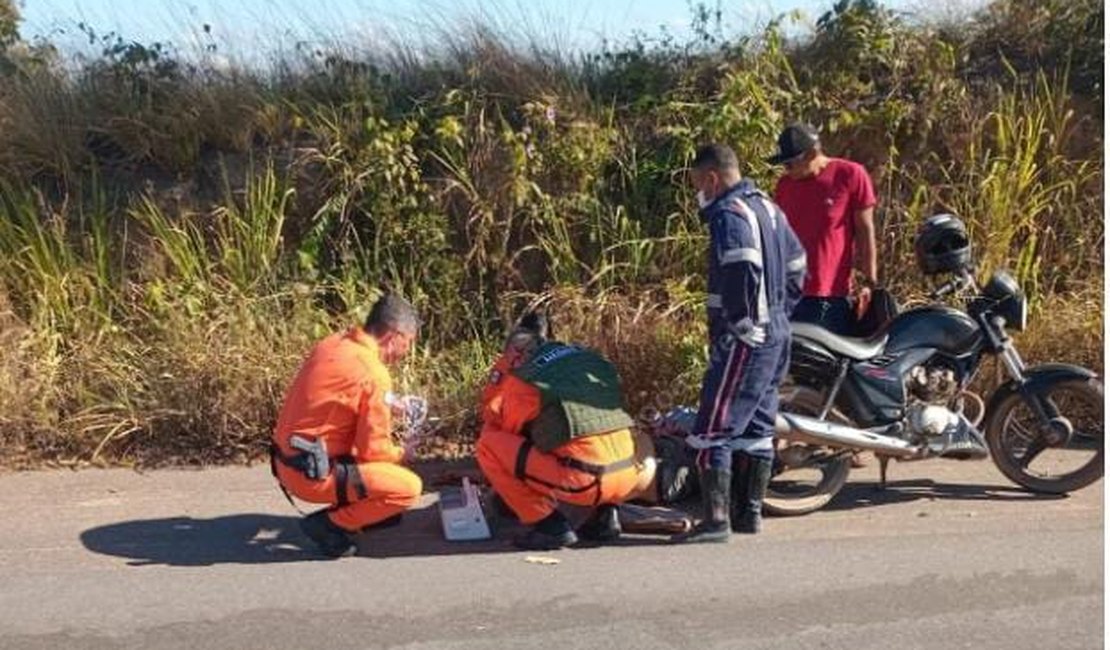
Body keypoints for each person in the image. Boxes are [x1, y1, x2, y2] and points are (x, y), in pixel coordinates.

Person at [676, 143, 807, 543]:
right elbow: (798, 265)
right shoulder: (769, 207)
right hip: (778, 333)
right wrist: (780, 313)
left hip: (746, 338)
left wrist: (742, 323)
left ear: (712, 178)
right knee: (757, 426)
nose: (699, 193)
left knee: (713, 426)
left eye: (699, 184)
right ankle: (748, 514)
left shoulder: (729, 215)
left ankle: (716, 521)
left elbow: (741, 269)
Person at [270, 294, 425, 558]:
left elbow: (338, 399)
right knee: (408, 489)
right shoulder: (374, 373)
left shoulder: (334, 343)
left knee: (383, 478)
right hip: (310, 476)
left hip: (287, 462)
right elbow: (373, 453)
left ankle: (357, 512)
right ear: (393, 336)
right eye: (408, 343)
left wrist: (388, 405)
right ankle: (328, 525)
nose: (406, 352)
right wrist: (403, 453)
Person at [476, 311, 643, 550]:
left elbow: (510, 434)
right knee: (599, 435)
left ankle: (548, 526)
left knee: (489, 444)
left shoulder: (525, 379)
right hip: (629, 475)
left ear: (514, 355)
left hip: (586, 481)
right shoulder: (587, 359)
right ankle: (604, 518)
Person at [769, 122, 878, 336]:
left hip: (828, 296)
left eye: (790, 164)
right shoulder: (784, 185)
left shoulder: (849, 175)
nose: (786, 170)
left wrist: (869, 282)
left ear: (811, 154)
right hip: (787, 295)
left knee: (824, 366)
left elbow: (865, 232)